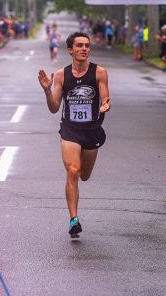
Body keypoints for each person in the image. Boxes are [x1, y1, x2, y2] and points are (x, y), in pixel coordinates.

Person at [38, 32, 110, 237]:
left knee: (84, 175)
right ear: (70, 50)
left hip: (92, 130)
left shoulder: (99, 72)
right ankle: (73, 219)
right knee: (73, 171)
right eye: (79, 45)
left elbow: (105, 97)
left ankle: (74, 215)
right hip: (70, 129)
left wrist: (105, 104)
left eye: (87, 45)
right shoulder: (62, 75)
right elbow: (54, 108)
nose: (84, 49)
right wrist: (47, 90)